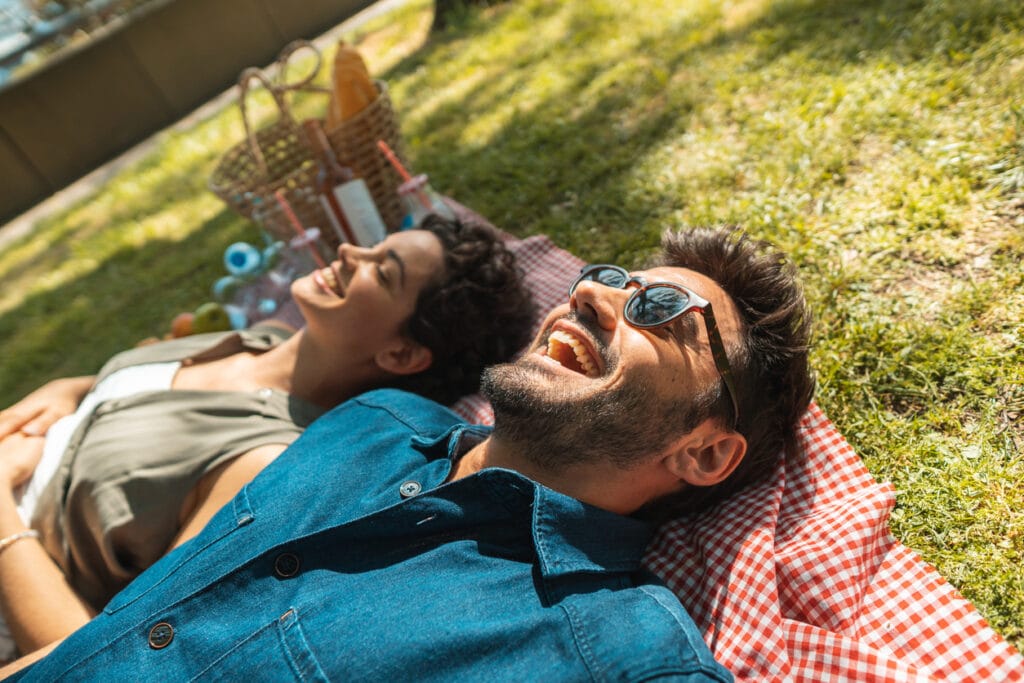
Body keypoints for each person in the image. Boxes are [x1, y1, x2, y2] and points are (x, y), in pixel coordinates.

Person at [2, 225, 814, 680]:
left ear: (706, 453)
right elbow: (131, 628)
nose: (591, 292)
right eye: (609, 275)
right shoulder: (374, 422)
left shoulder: (619, 655)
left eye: (662, 309)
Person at [0, 215, 534, 660]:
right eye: (373, 246)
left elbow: (95, 657)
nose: (350, 250)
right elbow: (126, 392)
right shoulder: (261, 339)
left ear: (401, 355)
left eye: (383, 271)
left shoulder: (264, 461)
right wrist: (68, 389)